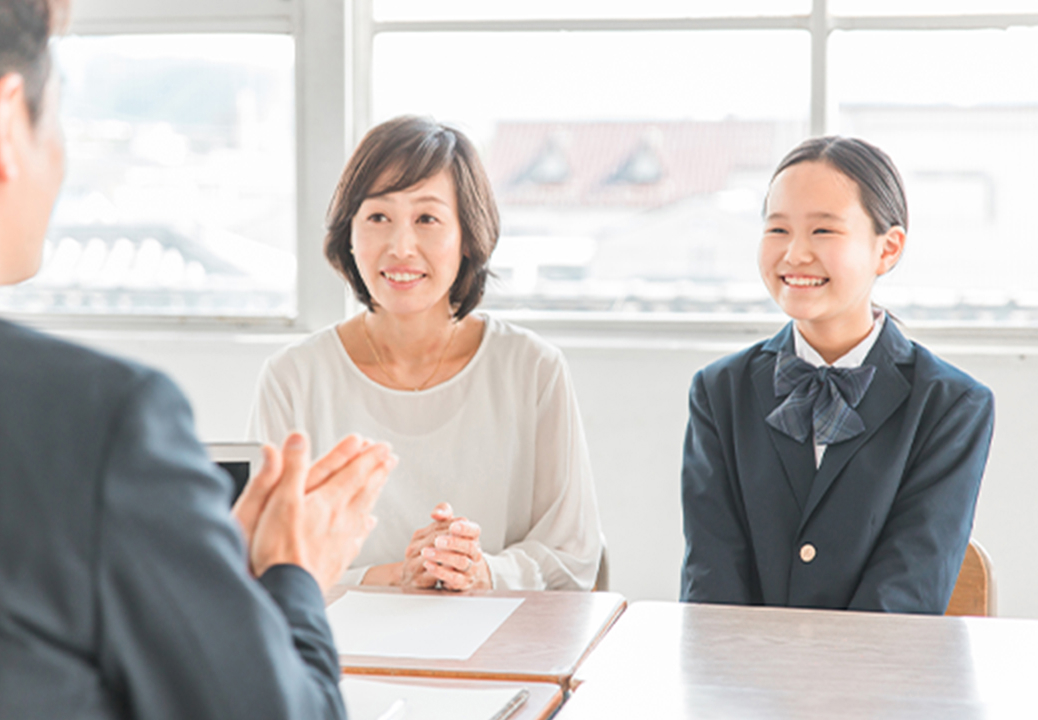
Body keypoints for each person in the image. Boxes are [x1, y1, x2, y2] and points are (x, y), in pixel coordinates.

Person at [0, 1, 396, 717]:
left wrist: (198, 576)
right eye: (57, 111)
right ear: (7, 123)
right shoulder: (98, 423)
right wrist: (292, 577)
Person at [248, 116, 603, 592]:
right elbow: (264, 566)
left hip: (502, 652)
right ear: (349, 234)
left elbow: (574, 554)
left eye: (427, 219)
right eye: (378, 217)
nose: (401, 247)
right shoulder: (294, 377)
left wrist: (479, 571)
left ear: (468, 235)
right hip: (342, 654)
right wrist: (395, 577)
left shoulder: (533, 369)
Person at [680, 136, 995, 613]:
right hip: (741, 681)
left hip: (878, 680)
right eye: (777, 230)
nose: (795, 255)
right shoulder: (719, 391)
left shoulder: (953, 405)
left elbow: (906, 591)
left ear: (888, 249)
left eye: (823, 232)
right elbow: (711, 585)